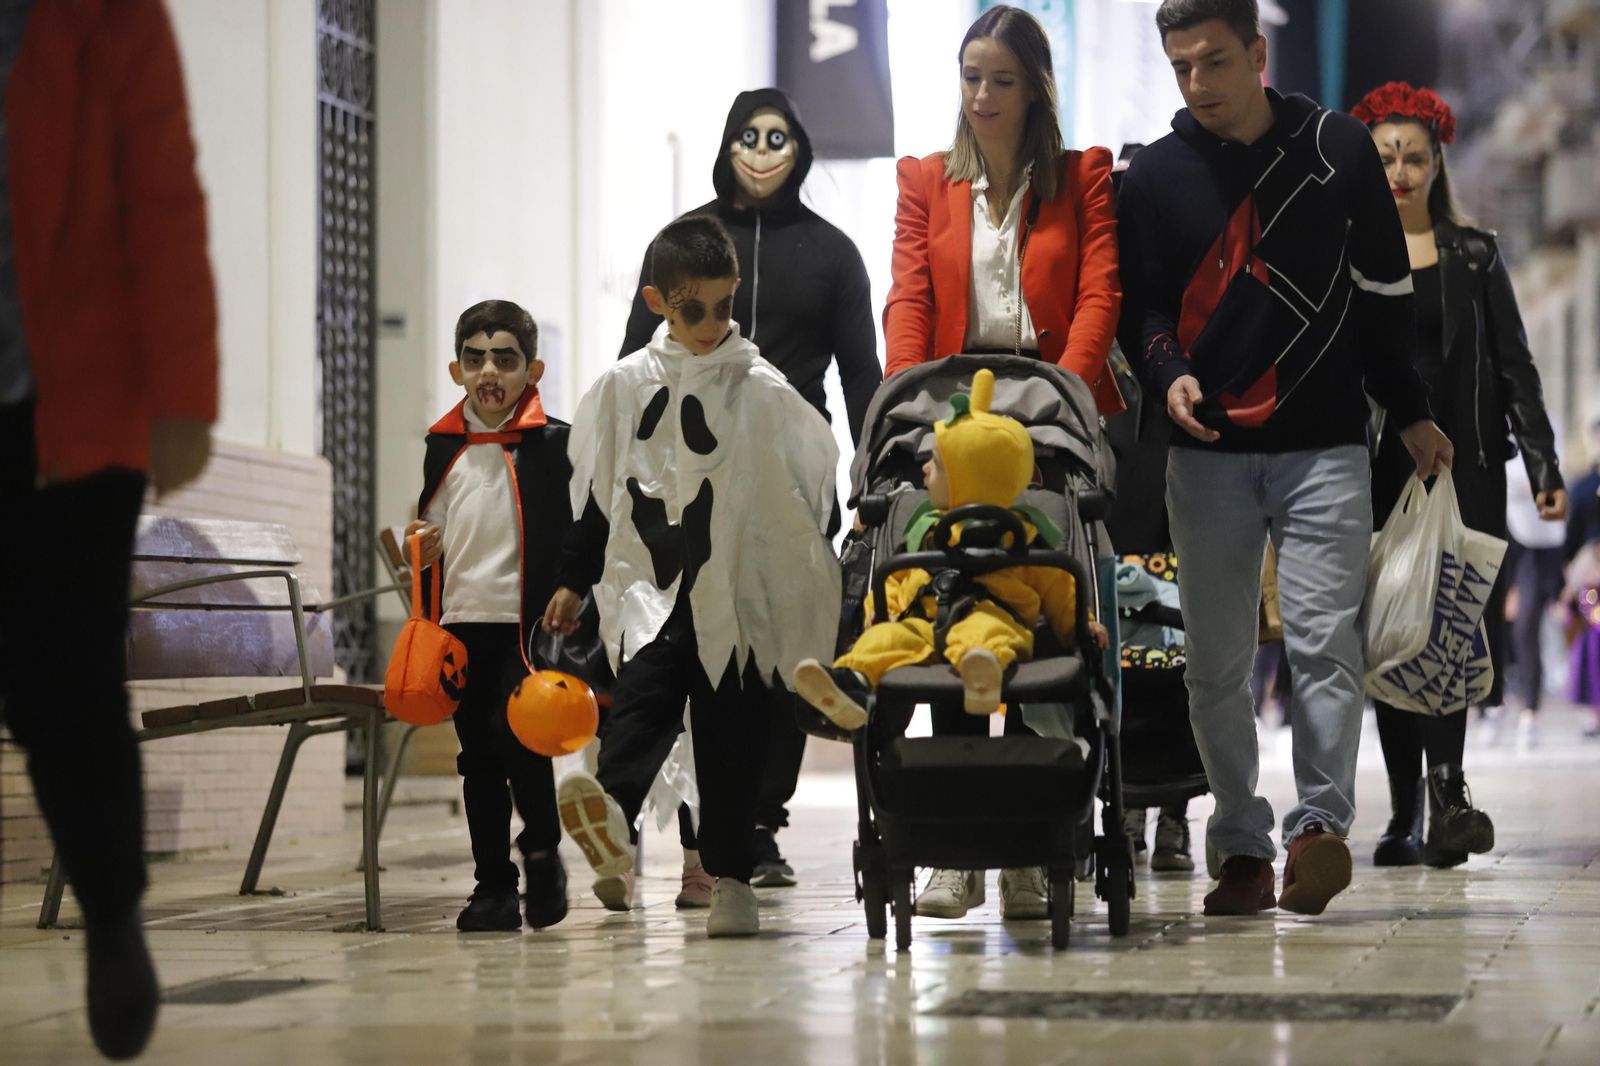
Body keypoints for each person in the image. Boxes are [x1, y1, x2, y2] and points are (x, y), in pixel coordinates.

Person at [1117, 0, 1452, 917]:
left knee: (1323, 647)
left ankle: (1317, 831)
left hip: (1325, 444)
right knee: (1213, 664)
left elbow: (1383, 294)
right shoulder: (1155, 176)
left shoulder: (1336, 149)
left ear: (1258, 52)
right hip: (1206, 449)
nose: (1198, 83)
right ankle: (1240, 846)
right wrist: (1168, 375)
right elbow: (1142, 308)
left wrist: (1411, 412)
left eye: (1215, 61)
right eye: (1182, 66)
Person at [0, 1, 217, 1058]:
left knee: (64, 678)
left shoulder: (109, 16)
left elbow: (163, 197)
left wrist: (182, 396)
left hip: (73, 406)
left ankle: (112, 908)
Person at [879, 0, 1122, 917]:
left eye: (1002, 80)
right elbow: (909, 297)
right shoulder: (924, 180)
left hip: (1049, 405)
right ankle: (956, 846)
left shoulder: (1083, 176)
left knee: (1033, 600)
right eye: (971, 77)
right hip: (953, 402)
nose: (982, 95)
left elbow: (1098, 293)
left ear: (1035, 90)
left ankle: (1029, 840)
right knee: (955, 587)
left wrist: (1064, 401)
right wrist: (908, 405)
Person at [545, 216, 839, 937]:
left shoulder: (761, 389)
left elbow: (804, 490)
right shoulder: (624, 388)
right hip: (651, 592)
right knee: (637, 708)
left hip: (736, 600)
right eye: (691, 311)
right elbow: (599, 492)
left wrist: (803, 571)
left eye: (722, 307)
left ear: (737, 290)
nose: (710, 326)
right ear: (657, 303)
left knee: (731, 738)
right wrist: (575, 576)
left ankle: (731, 880)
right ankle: (611, 819)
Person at [618, 88, 880, 894]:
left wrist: (872, 468)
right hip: (689, 469)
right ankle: (700, 837)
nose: (763, 152)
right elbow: (635, 354)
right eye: (748, 137)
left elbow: (861, 373)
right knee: (691, 642)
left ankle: (758, 824)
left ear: (800, 149)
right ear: (727, 145)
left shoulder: (833, 253)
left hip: (792, 471)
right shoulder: (684, 242)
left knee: (780, 644)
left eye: (777, 138)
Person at [793, 368, 1109, 919]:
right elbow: (899, 582)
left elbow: (1058, 589)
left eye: (935, 463)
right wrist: (877, 616)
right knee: (885, 638)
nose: (923, 469)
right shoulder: (922, 526)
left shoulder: (1030, 532)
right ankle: (850, 683)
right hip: (925, 623)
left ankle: (983, 676)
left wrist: (1080, 625)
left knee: (983, 633)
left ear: (966, 475)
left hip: (995, 618)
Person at [1353, 82, 1566, 866]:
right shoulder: (1351, 253)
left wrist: (1542, 463)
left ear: (1438, 163)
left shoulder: (1474, 255)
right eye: (1385, 158)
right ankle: (1404, 810)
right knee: (1392, 633)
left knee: (1448, 629)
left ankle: (1447, 796)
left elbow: (1515, 366)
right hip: (1380, 468)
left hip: (1466, 463)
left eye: (1414, 157)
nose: (1400, 172)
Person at [402, 301, 572, 931]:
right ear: (457, 370)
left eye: (505, 358)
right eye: (475, 360)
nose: (489, 372)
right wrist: (420, 547)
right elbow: (430, 526)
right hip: (462, 622)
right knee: (477, 756)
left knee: (524, 740)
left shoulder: (555, 444)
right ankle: (492, 887)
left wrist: (573, 591)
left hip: (527, 625)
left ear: (533, 369)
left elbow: (577, 529)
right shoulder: (442, 445)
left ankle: (543, 852)